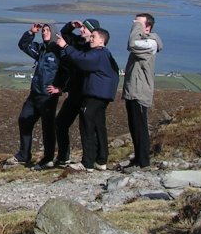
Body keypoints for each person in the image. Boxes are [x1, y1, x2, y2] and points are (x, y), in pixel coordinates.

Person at [55, 23, 120, 171]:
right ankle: (101, 160)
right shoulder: (105, 54)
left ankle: (87, 162)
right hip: (102, 94)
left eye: (93, 37)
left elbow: (82, 60)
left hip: (94, 94)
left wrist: (65, 47)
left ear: (101, 41)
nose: (90, 39)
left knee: (87, 126)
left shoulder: (98, 53)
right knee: (98, 125)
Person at [11, 23, 63, 166]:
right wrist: (31, 32)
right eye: (43, 30)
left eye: (47, 30)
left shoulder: (59, 51)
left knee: (48, 127)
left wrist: (61, 88)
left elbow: (68, 71)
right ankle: (24, 154)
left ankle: (48, 158)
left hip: (48, 97)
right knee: (24, 119)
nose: (44, 32)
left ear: (53, 33)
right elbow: (23, 45)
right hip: (34, 94)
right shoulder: (41, 49)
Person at [122, 13, 163, 168]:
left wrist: (136, 27)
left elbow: (132, 44)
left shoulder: (151, 43)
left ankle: (143, 161)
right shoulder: (144, 41)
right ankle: (138, 158)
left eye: (138, 23)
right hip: (133, 90)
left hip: (140, 91)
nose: (134, 25)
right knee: (134, 126)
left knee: (140, 126)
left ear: (147, 26)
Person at [47, 20, 90, 166]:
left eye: (85, 28)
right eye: (82, 27)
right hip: (74, 92)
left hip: (85, 93)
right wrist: (71, 25)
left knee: (88, 127)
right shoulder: (78, 42)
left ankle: (92, 159)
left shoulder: (93, 48)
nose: (82, 30)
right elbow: (65, 34)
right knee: (60, 123)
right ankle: (63, 157)